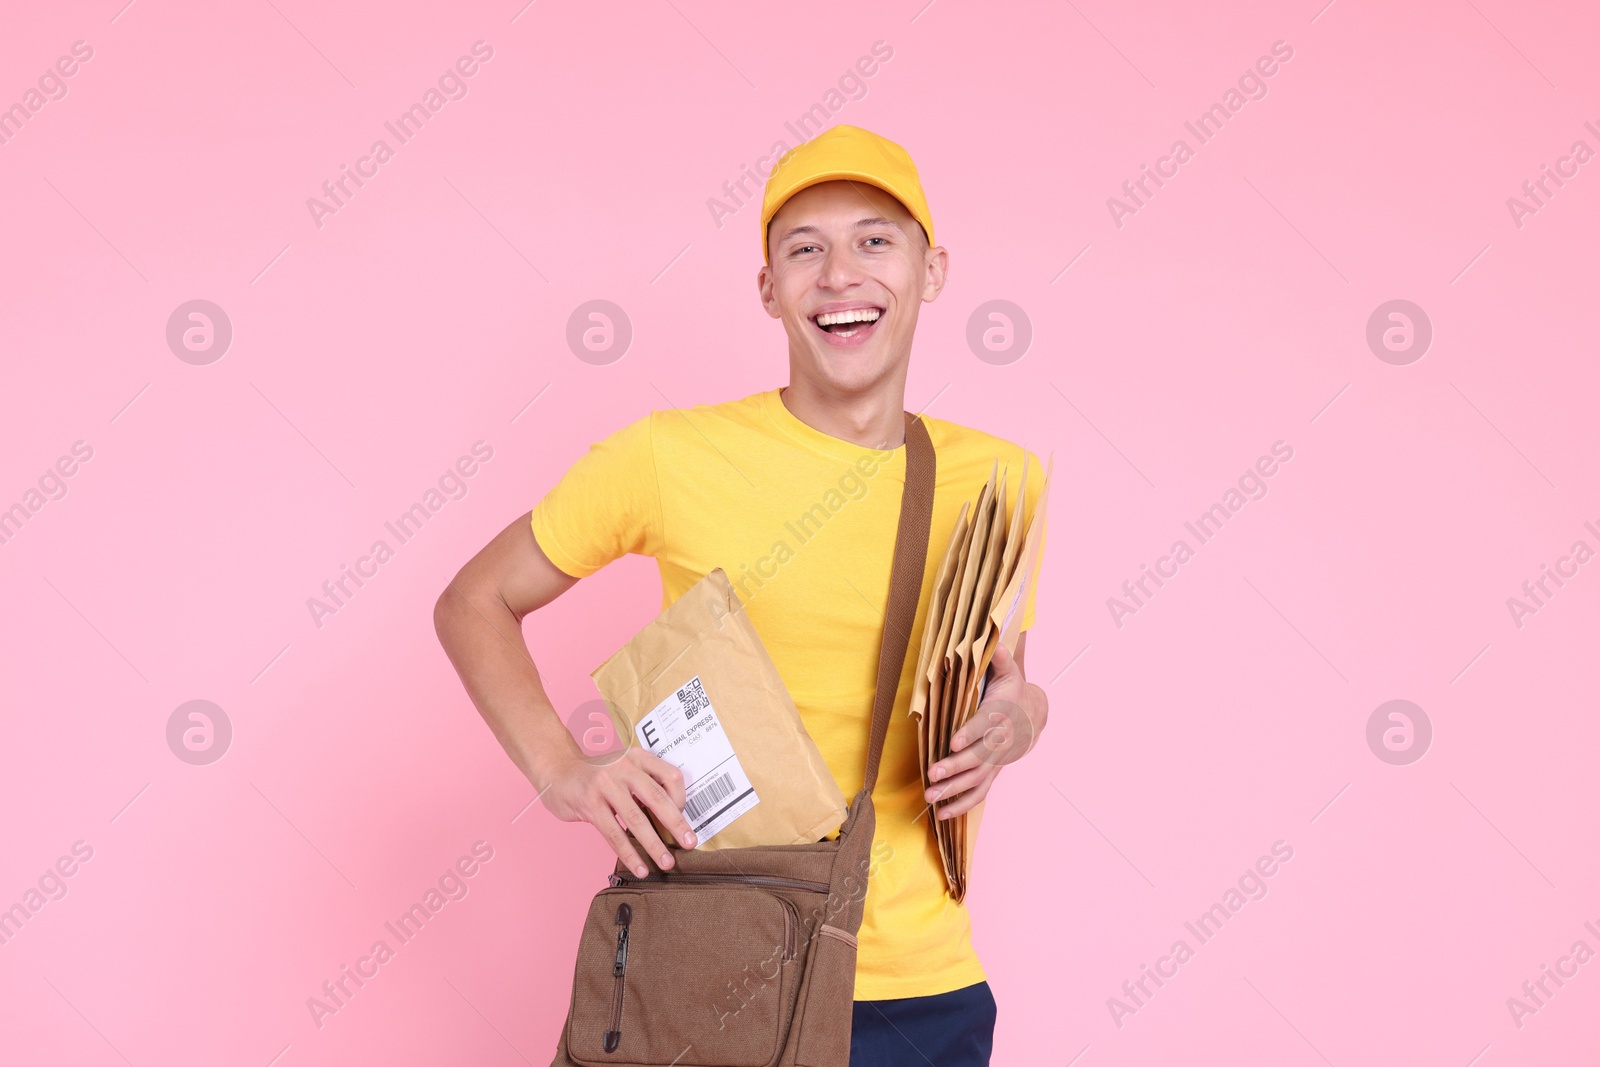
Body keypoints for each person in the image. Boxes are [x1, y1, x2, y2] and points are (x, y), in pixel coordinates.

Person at [434, 124, 1049, 1067]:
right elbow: (474, 600)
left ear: (932, 270)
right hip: (718, 965)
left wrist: (1024, 716)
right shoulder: (668, 457)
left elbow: (1000, 676)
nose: (840, 272)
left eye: (876, 239)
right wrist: (564, 770)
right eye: (805, 248)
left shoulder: (1000, 478)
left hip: (920, 989)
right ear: (769, 288)